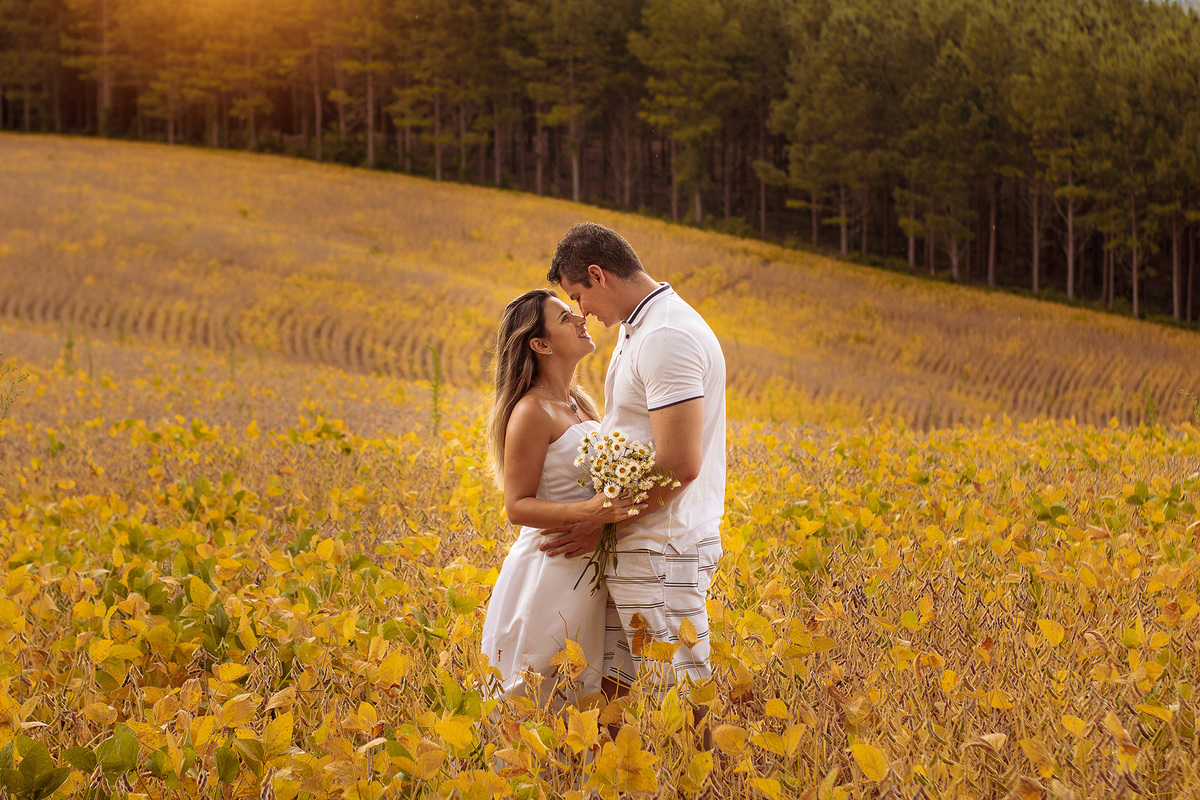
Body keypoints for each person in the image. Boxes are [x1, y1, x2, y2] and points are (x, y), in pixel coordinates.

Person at [538, 222, 726, 703]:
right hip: (642, 540)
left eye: (579, 296)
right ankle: (616, 780)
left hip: (663, 545)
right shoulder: (643, 326)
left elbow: (680, 463)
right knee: (615, 684)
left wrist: (601, 520)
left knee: (678, 690)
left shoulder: (665, 335)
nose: (582, 312)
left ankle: (703, 781)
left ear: (599, 275)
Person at [480, 288, 641, 707]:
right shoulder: (532, 410)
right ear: (541, 344)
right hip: (550, 570)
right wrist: (588, 512)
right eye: (566, 317)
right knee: (543, 695)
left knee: (590, 702)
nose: (581, 319)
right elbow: (517, 506)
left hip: (591, 569)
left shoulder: (582, 406)